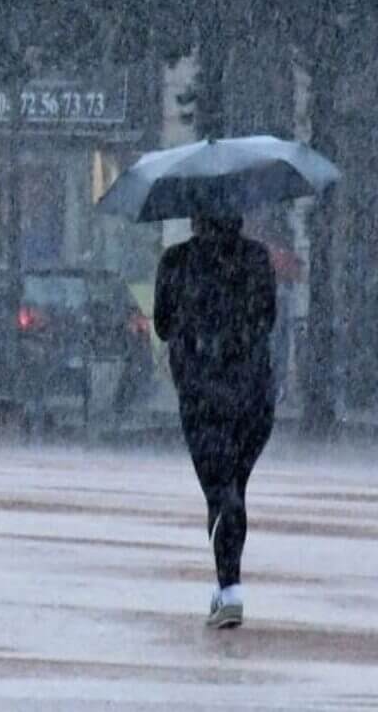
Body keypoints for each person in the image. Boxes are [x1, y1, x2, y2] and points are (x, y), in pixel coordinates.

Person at [152, 214, 278, 631]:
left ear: (194, 217)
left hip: (203, 392)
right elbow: (268, 319)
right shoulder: (257, 258)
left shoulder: (176, 262)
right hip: (254, 393)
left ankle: (230, 589)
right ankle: (225, 586)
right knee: (234, 487)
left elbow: (163, 325)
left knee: (219, 491)